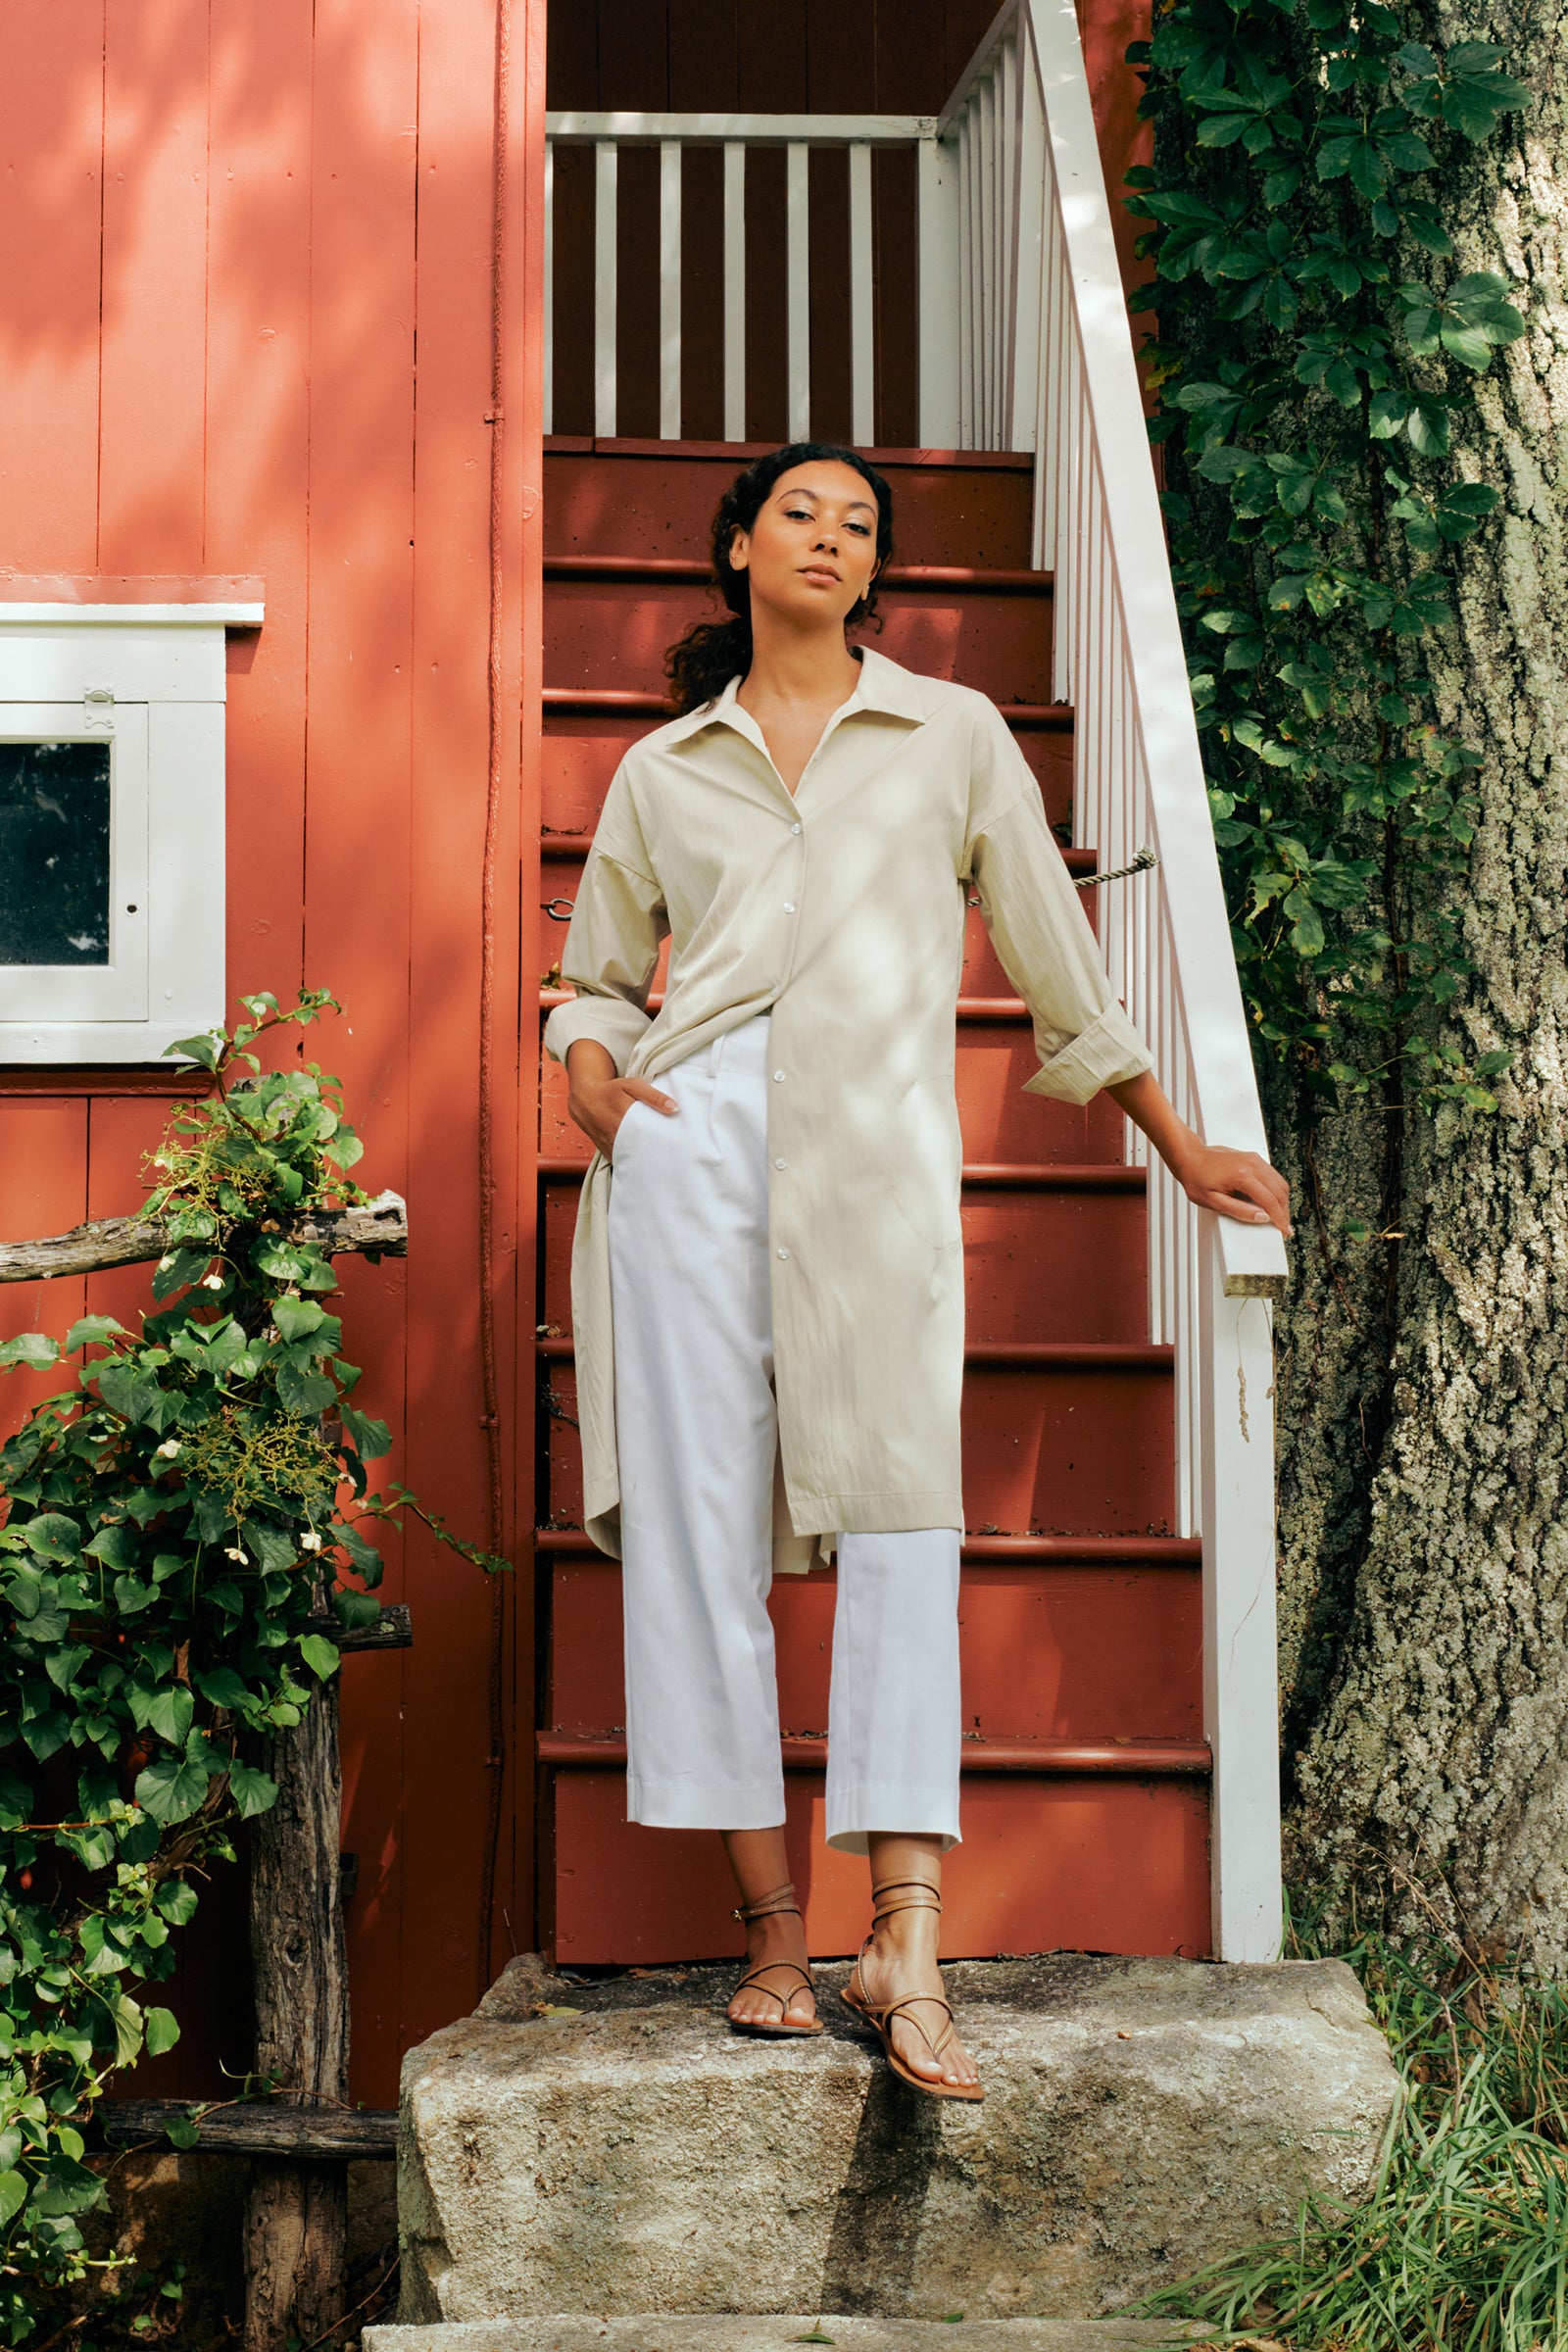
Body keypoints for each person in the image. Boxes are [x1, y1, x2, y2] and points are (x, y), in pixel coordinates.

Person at [544, 442, 1293, 2102]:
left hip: (878, 1181)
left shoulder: (951, 734)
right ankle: (766, 1934)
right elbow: (593, 982)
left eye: (860, 524)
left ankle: (904, 1938)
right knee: (694, 1537)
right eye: (800, 512)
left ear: (875, 572)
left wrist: (1177, 1143)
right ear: (739, 549)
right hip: (687, 1165)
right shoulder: (667, 767)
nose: (831, 537)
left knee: (901, 1529)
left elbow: (1053, 951)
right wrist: (596, 1084)